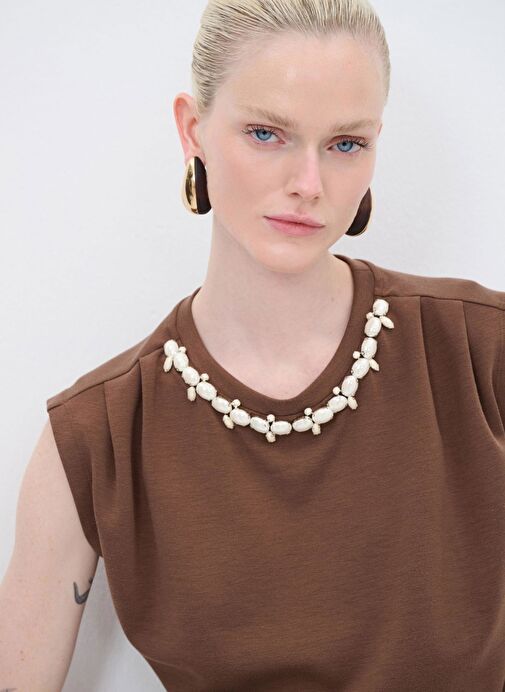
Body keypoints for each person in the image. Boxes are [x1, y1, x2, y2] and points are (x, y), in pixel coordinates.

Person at [1, 0, 504, 690]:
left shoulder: (482, 352)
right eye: (267, 134)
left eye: (345, 144)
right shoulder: (97, 437)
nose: (308, 185)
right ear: (193, 131)